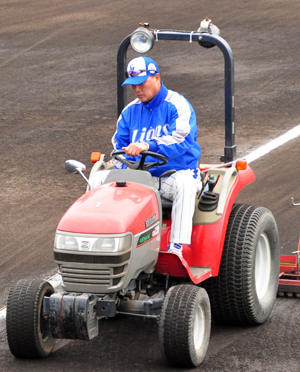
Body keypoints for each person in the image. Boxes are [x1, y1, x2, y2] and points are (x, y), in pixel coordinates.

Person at [91, 56, 202, 256]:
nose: (137, 90)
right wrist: (124, 168)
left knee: (185, 184)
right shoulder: (129, 112)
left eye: (141, 84)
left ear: (157, 78)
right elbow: (118, 146)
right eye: (132, 86)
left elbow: (182, 139)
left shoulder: (177, 105)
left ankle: (178, 247)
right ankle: (98, 241)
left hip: (174, 175)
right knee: (98, 178)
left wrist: (148, 145)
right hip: (140, 178)